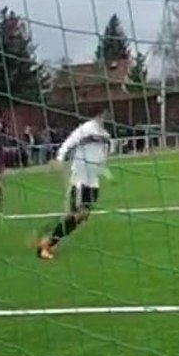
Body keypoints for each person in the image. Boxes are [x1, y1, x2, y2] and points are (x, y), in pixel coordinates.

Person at [36, 109, 112, 260]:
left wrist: (107, 174)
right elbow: (69, 142)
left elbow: (101, 160)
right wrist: (59, 158)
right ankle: (46, 246)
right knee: (78, 214)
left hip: (93, 182)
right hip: (80, 180)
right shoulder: (86, 129)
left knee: (80, 217)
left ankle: (50, 236)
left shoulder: (106, 136)